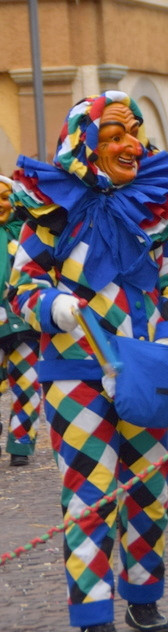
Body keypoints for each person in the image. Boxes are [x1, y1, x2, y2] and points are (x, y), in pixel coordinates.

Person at [10, 92, 168, 632]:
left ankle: (143, 595)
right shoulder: (51, 210)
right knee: (91, 493)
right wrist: (54, 308)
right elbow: (22, 286)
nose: (131, 145)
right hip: (75, 372)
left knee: (149, 488)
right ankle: (93, 613)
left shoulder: (157, 205)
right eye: (115, 135)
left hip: (146, 367)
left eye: (134, 132)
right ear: (86, 143)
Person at [0, 175, 42, 467]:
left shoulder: (26, 233)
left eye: (4, 196)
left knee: (27, 383)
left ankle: (21, 443)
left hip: (24, 321)